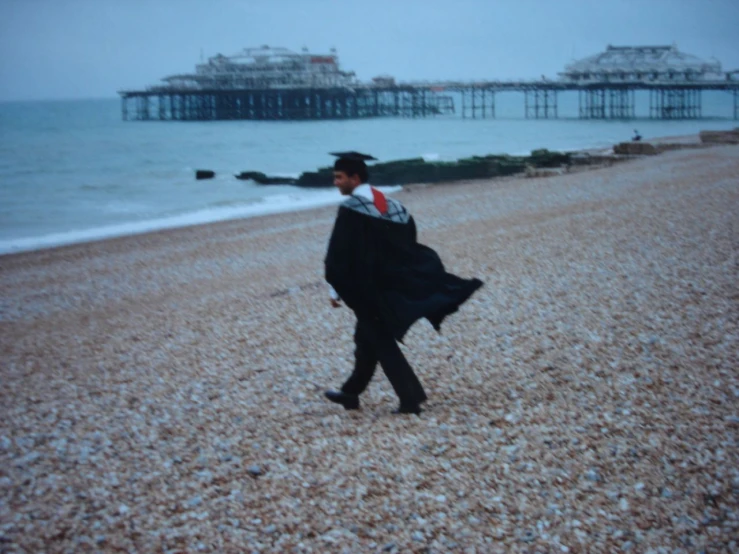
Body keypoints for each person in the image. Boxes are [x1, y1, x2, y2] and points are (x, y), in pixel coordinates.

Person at [323, 151, 483, 415]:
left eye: (339, 177)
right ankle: (350, 393)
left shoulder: (351, 210)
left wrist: (335, 289)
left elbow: (339, 254)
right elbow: (407, 248)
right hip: (390, 287)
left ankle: (411, 399)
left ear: (354, 177)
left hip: (365, 290)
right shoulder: (397, 208)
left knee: (380, 342)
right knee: (365, 339)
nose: (336, 182)